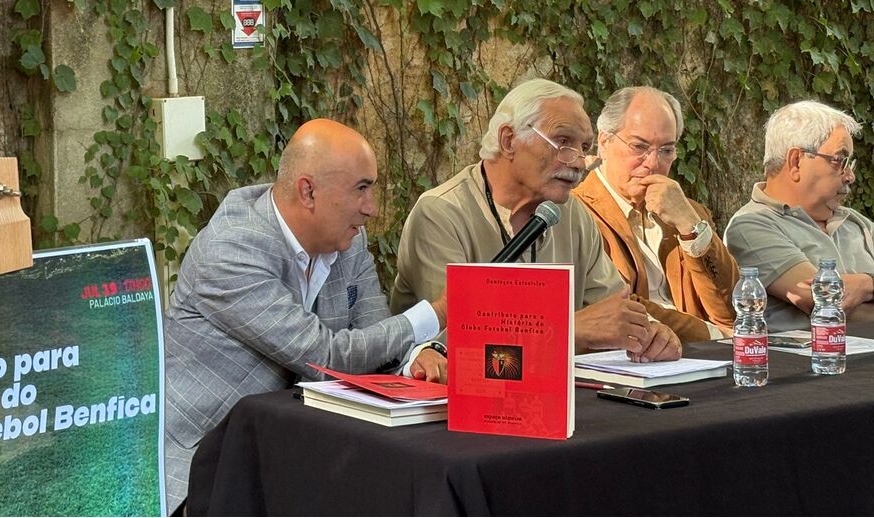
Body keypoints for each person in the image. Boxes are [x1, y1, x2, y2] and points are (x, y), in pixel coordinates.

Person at [163, 119, 448, 511]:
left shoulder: (348, 237)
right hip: (206, 466)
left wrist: (418, 356)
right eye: (361, 189)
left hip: (295, 453)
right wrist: (437, 313)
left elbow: (377, 335)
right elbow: (325, 358)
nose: (372, 208)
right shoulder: (232, 248)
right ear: (308, 191)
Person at [390, 78, 682, 362]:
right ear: (509, 140)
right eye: (563, 142)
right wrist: (569, 331)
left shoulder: (571, 214)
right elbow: (449, 343)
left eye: (583, 146)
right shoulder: (442, 214)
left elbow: (612, 311)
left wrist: (648, 334)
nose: (579, 161)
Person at [572, 86, 738, 342]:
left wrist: (690, 225)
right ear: (604, 142)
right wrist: (708, 333)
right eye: (639, 146)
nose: (653, 162)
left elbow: (730, 311)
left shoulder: (688, 212)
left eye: (666, 150)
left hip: (705, 358)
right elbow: (618, 305)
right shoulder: (578, 214)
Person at [724, 100, 874, 332]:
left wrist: (865, 284)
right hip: (809, 363)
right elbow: (825, 303)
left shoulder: (857, 222)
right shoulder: (752, 226)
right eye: (839, 160)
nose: (850, 176)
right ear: (796, 161)